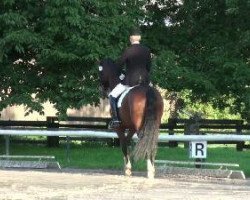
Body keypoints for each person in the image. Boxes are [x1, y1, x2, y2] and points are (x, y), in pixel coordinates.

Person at [108, 28, 152, 128]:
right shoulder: (146, 50)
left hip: (130, 80)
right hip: (145, 80)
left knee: (112, 95)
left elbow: (119, 65)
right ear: (139, 39)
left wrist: (122, 75)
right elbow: (149, 67)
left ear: (130, 39)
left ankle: (116, 120)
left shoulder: (128, 50)